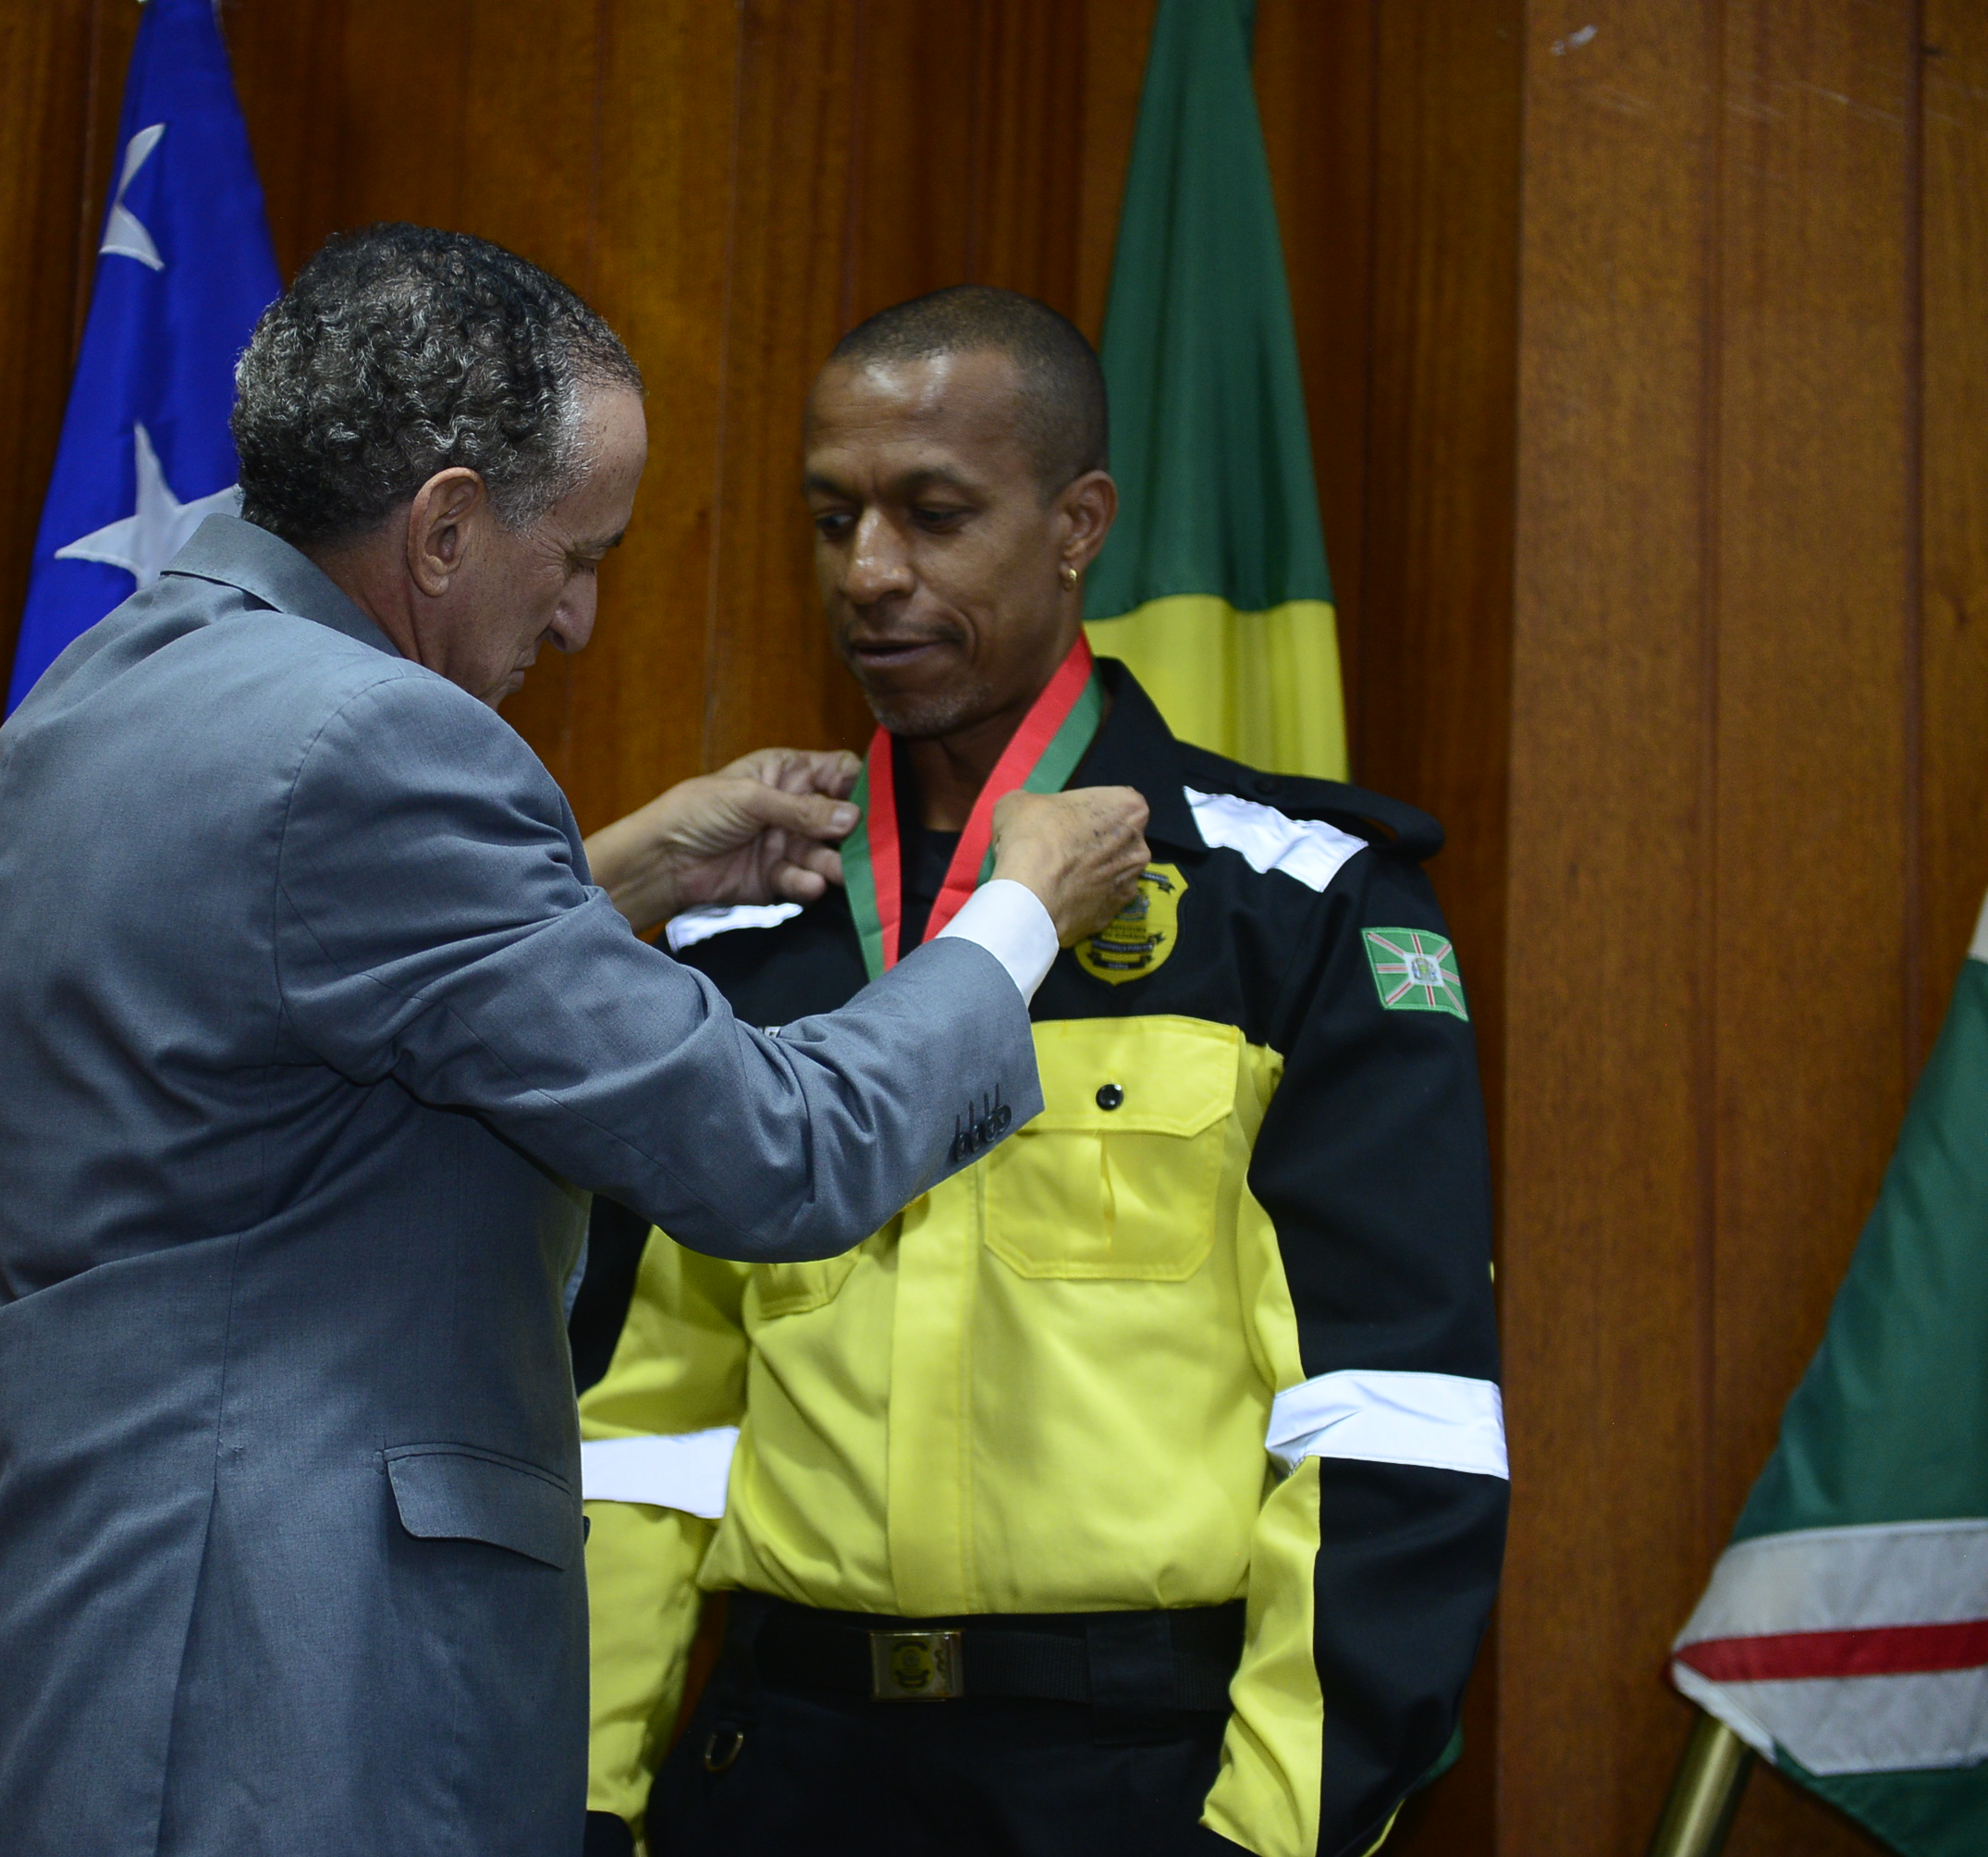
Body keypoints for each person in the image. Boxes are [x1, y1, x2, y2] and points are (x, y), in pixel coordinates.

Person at [0, 229, 1152, 1856]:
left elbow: (285, 1002)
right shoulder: (384, 744)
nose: (578, 619)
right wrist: (1018, 916)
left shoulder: (98, 695)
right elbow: (782, 1152)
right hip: (295, 1710)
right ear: (444, 529)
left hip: (88, 1677)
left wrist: (623, 874)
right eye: (578, 555)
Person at [576, 287, 1507, 1857]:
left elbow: (1390, 1431)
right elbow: (636, 1428)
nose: (871, 573)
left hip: (1138, 1777)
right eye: (834, 519)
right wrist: (588, 1802)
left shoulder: (1295, 907)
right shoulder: (742, 926)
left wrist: (1265, 1839)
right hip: (779, 1766)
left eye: (936, 515)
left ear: (1079, 524)